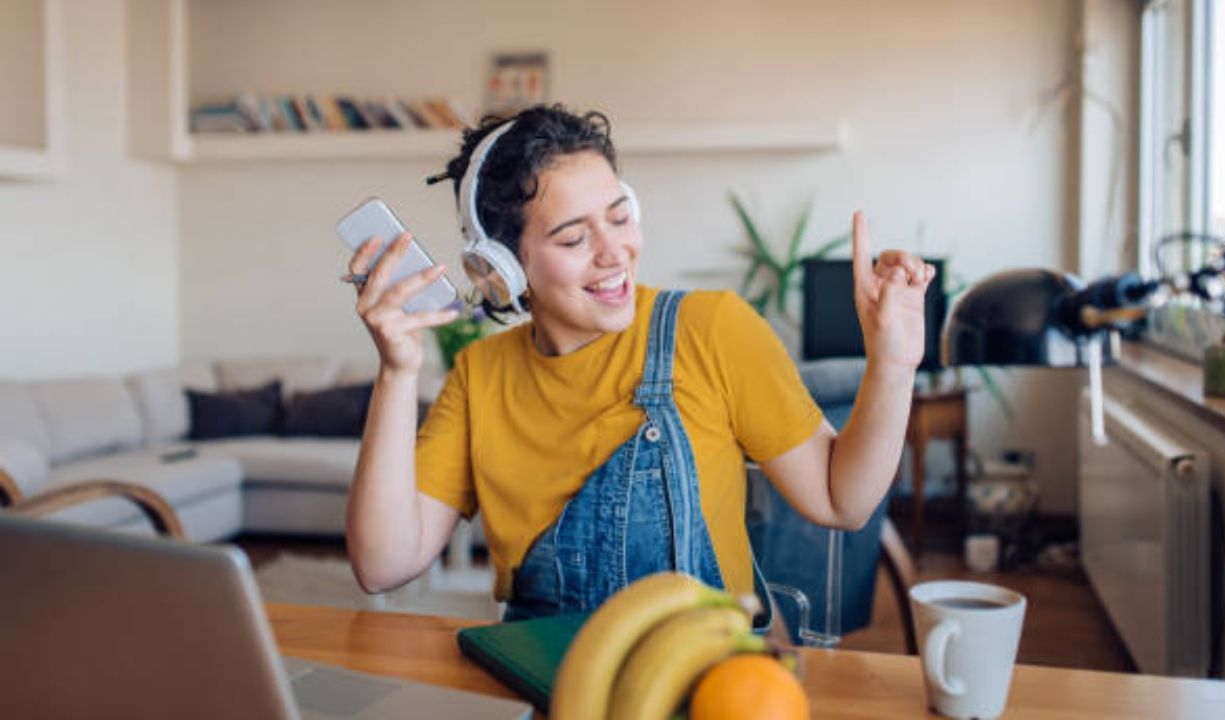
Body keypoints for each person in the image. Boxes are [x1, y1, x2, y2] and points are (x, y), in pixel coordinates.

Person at [344, 104, 934, 622]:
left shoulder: (712, 330)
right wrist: (397, 371)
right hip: (546, 683)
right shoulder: (479, 377)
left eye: (620, 216)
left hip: (703, 680)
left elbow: (842, 502)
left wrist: (894, 361)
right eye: (574, 240)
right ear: (499, 268)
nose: (613, 253)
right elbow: (381, 565)